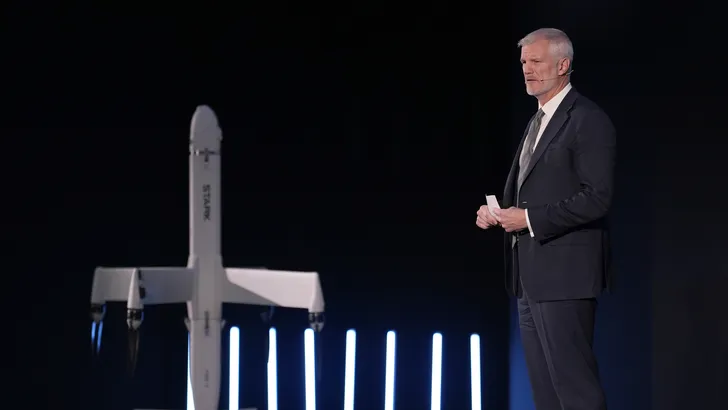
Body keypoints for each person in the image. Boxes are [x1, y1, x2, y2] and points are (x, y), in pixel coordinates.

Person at [476, 28, 615, 410]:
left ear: (563, 65)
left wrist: (529, 219)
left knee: (576, 392)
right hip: (530, 278)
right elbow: (534, 190)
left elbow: (597, 198)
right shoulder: (537, 121)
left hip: (565, 278)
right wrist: (499, 212)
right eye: (524, 62)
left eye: (536, 61)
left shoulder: (587, 119)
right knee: (547, 395)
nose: (527, 69)